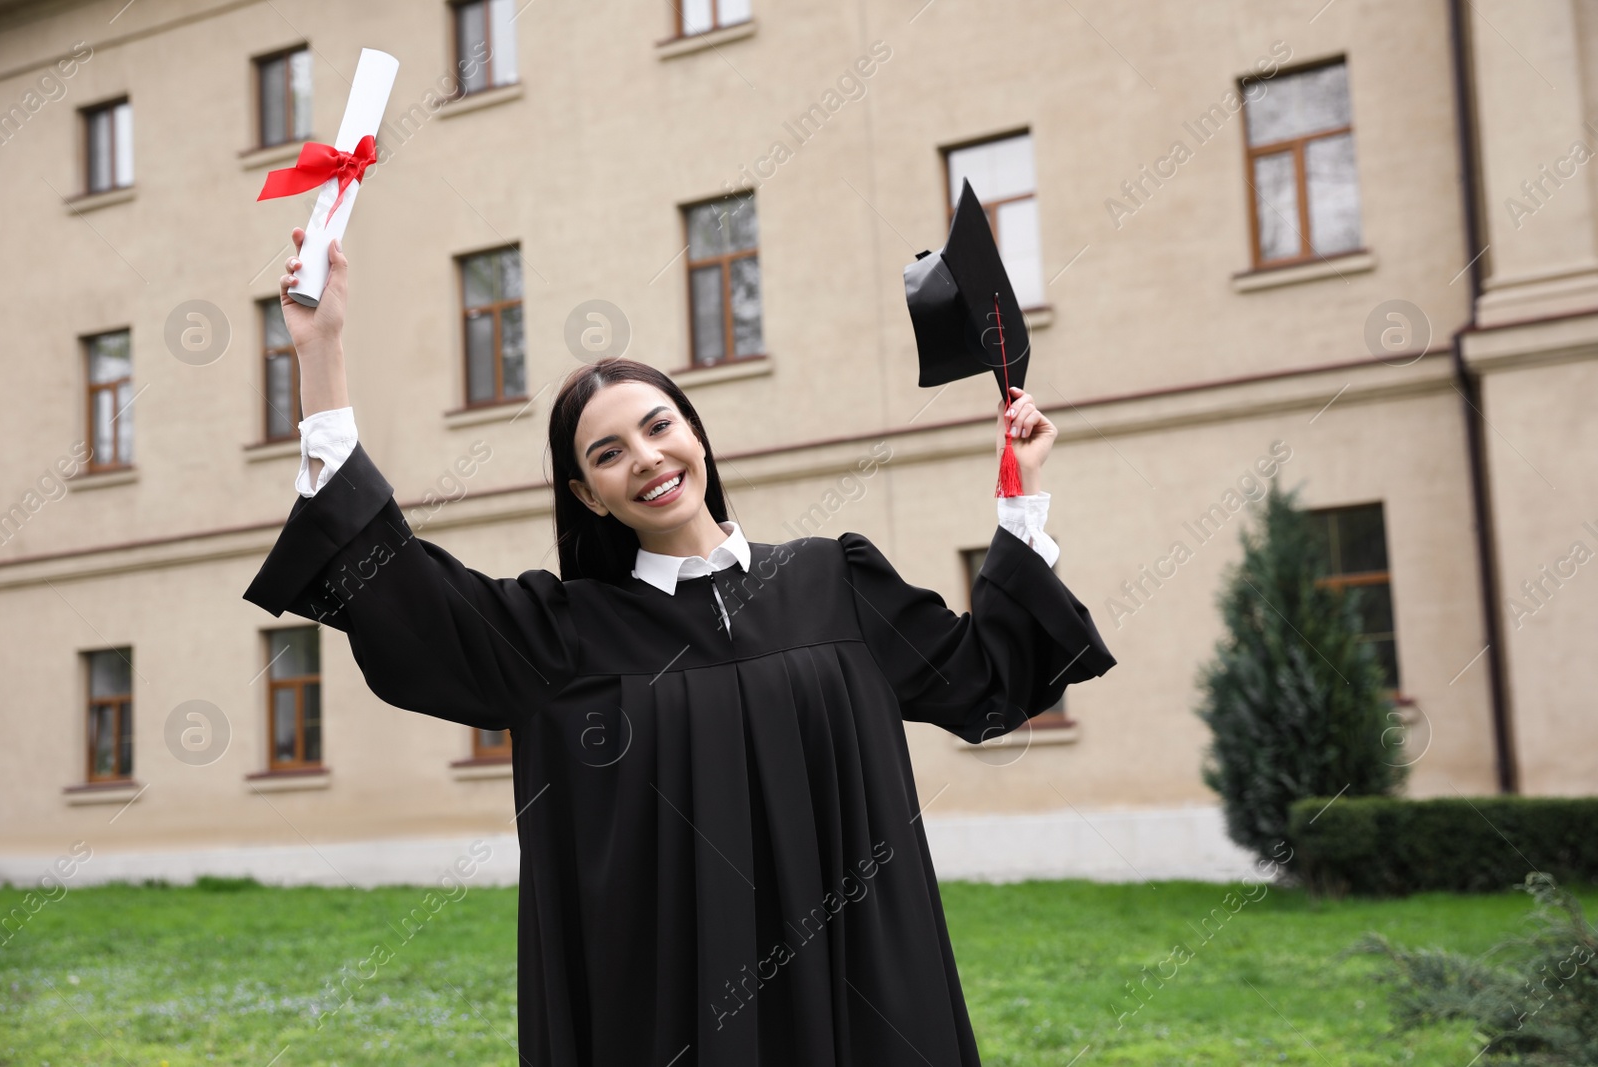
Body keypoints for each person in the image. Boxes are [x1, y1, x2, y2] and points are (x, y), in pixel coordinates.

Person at [244, 227, 1116, 1066]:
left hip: (860, 1002)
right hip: (672, 1015)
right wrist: (320, 352)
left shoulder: (834, 581)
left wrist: (1020, 495)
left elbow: (989, 683)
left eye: (661, 427)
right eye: (609, 453)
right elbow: (395, 586)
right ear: (588, 496)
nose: (648, 459)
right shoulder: (557, 635)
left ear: (697, 435)